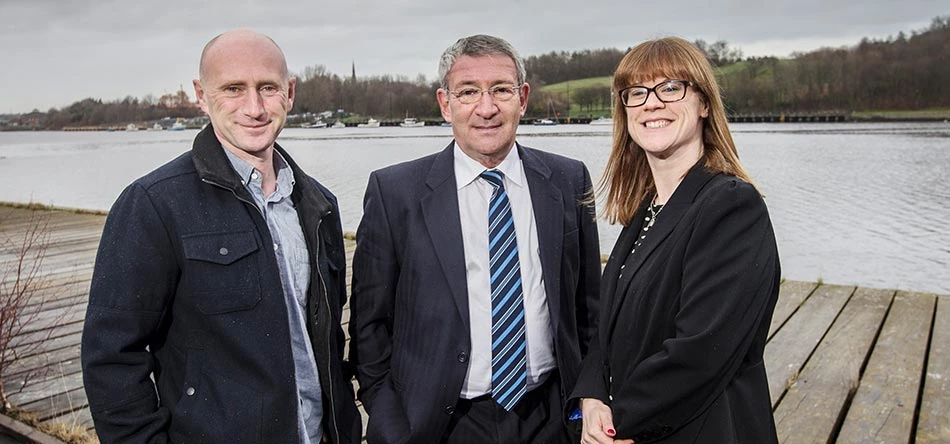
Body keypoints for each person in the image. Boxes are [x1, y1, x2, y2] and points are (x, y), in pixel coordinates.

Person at [81, 29, 361, 443]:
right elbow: (111, 358)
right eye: (233, 88)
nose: (254, 107)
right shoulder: (154, 204)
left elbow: (327, 338)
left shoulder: (319, 205)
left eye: (268, 87)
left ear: (290, 93)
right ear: (201, 94)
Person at [347, 34, 601, 444]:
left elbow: (590, 308)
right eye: (468, 92)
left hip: (550, 416)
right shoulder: (395, 192)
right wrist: (391, 422)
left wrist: (590, 397)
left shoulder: (568, 180)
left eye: (500, 90)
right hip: (439, 424)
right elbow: (369, 325)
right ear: (446, 105)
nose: (487, 108)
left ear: (523, 97)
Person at [571, 36, 781, 444]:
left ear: (704, 104)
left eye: (671, 88)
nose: (652, 103)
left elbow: (702, 350)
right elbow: (607, 328)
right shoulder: (647, 209)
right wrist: (593, 395)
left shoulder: (731, 206)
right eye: (636, 93)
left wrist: (619, 419)